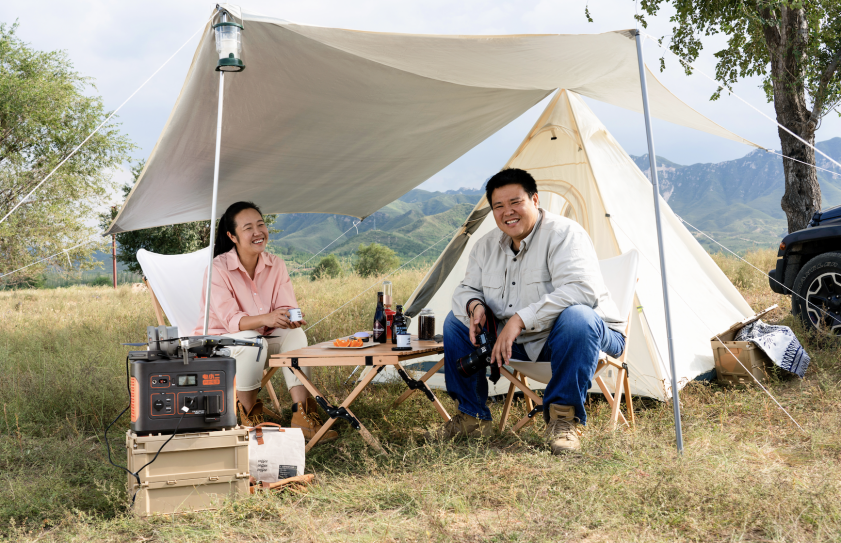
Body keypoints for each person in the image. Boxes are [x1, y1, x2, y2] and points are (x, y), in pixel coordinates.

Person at [429, 169, 626, 453]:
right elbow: (465, 290)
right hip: (518, 344)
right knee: (455, 321)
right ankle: (472, 417)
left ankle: (563, 421)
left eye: (515, 202)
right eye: (499, 206)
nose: (507, 212)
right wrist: (475, 307)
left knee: (578, 317)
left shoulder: (565, 234)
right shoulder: (485, 247)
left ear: (535, 200)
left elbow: (582, 291)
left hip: (581, 336)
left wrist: (520, 319)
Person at [194, 201, 337, 442]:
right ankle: (250, 417)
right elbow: (231, 321)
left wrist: (288, 318)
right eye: (248, 227)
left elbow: (286, 305)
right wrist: (269, 318)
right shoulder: (218, 269)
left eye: (261, 224)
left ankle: (302, 416)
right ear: (232, 236)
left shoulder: (276, 264)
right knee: (253, 341)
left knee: (295, 336)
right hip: (221, 342)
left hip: (261, 336)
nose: (258, 232)